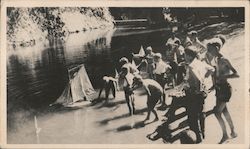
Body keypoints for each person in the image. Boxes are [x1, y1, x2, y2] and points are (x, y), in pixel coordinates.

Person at [206, 39, 239, 144]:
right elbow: (216, 75)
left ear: (216, 48)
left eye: (210, 50)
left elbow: (236, 74)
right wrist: (213, 86)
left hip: (225, 89)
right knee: (224, 111)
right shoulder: (215, 59)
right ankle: (233, 131)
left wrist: (224, 76)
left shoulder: (224, 59)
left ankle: (225, 135)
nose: (209, 52)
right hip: (219, 89)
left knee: (217, 112)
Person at [183, 47, 215, 143]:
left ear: (189, 56)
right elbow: (212, 69)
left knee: (193, 116)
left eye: (185, 54)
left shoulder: (191, 66)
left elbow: (196, 80)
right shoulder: (199, 62)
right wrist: (204, 78)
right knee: (201, 113)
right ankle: (203, 133)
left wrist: (194, 87)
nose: (184, 56)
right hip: (201, 93)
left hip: (194, 94)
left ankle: (198, 137)